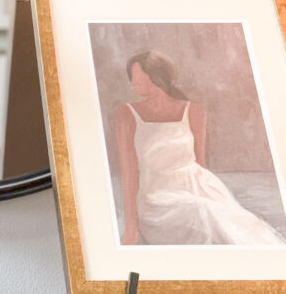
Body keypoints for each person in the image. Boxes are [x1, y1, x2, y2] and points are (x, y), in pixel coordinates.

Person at [114, 50, 284, 246]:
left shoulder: (194, 111)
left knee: (237, 223)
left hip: (199, 187)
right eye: (132, 75)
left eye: (137, 74)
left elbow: (200, 163)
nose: (133, 80)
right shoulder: (126, 114)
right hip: (157, 196)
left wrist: (212, 196)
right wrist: (131, 224)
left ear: (155, 75)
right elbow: (129, 172)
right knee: (200, 212)